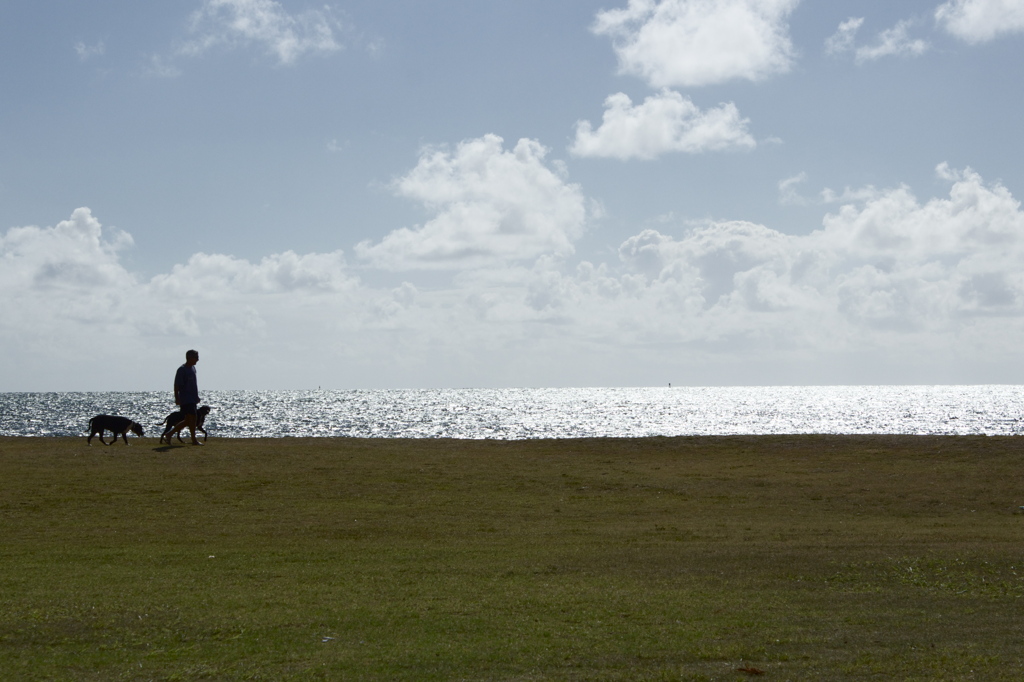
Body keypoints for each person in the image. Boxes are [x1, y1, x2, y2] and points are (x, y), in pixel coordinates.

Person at [168, 349, 203, 445]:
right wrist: (177, 398)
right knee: (193, 417)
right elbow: (176, 385)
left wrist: (196, 396)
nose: (197, 360)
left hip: (192, 398)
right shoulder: (182, 370)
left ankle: (170, 434)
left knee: (188, 420)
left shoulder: (193, 369)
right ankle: (193, 439)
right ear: (190, 358)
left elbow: (193, 384)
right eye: (196, 357)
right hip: (186, 398)